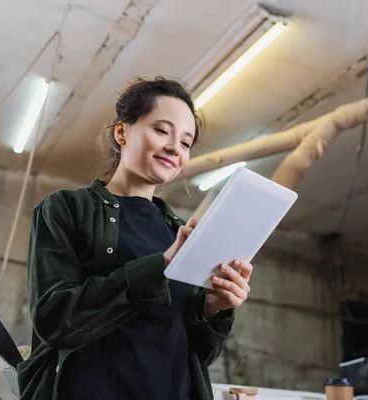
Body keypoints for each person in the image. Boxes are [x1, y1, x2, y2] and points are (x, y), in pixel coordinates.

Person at [17, 76, 253, 400]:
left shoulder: (178, 231)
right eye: (162, 130)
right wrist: (160, 266)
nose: (175, 148)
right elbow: (55, 319)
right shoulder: (66, 209)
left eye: (186, 142)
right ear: (122, 131)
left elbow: (195, 353)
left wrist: (215, 306)